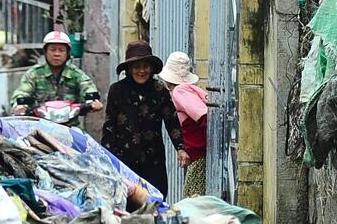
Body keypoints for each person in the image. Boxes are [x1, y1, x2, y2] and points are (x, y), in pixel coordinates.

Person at [100, 40, 181, 193]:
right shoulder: (117, 90)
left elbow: (172, 121)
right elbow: (109, 125)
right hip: (124, 159)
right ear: (129, 69)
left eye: (145, 66)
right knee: (126, 202)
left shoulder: (160, 90)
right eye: (137, 66)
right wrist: (106, 156)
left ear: (151, 68)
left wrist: (181, 148)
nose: (142, 71)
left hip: (153, 159)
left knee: (155, 200)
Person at [11, 30, 103, 117]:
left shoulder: (76, 74)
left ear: (68, 53)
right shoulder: (33, 74)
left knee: (83, 134)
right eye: (52, 49)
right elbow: (22, 91)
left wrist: (93, 101)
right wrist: (19, 104)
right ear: (45, 52)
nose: (57, 54)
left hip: (70, 126)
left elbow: (87, 86)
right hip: (39, 124)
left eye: (61, 50)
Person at [161, 50, 209, 197]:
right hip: (198, 151)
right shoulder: (190, 89)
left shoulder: (180, 92)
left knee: (193, 197)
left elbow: (202, 115)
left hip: (198, 152)